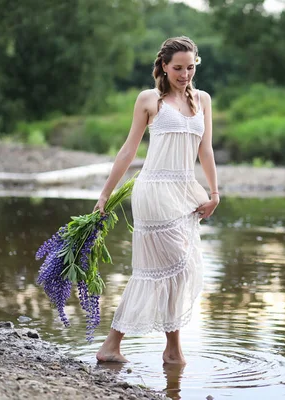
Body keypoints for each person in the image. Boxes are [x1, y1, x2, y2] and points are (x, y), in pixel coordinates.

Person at [93, 36, 220, 365]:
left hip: (186, 191)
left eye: (191, 67)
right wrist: (106, 192)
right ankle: (168, 350)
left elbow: (205, 150)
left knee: (171, 269)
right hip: (154, 190)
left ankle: (125, 346)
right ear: (164, 66)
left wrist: (215, 192)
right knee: (172, 264)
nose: (185, 74)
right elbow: (129, 149)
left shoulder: (202, 100)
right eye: (178, 68)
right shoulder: (150, 100)